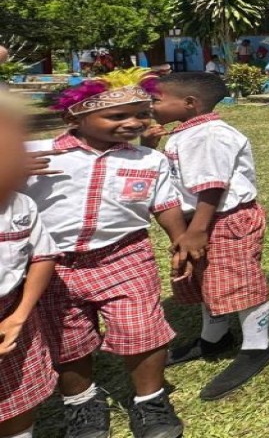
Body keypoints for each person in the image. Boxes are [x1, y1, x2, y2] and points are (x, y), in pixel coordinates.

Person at [26, 68, 187, 436]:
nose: (133, 123)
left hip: (125, 255)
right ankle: (81, 404)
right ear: (74, 117)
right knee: (66, 337)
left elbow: (163, 204)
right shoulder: (36, 155)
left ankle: (151, 402)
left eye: (141, 114)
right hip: (52, 264)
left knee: (142, 328)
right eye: (117, 116)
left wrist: (180, 237)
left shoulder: (148, 160)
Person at [147, 72, 269, 402]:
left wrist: (198, 231)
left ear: (190, 103)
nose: (150, 105)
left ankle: (258, 346)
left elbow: (212, 185)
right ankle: (214, 338)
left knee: (239, 280)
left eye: (156, 99)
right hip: (201, 221)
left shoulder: (209, 135)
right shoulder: (187, 132)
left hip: (222, 219)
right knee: (207, 280)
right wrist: (149, 147)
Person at [0, 93, 59, 438]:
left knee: (18, 403)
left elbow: (42, 255)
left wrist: (20, 314)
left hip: (12, 312)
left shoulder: (20, 204)